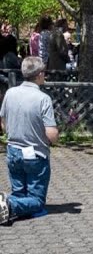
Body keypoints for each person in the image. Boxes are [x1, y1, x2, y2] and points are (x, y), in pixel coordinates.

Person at [0, 56, 58, 224]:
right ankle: (9, 204)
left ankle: (11, 205)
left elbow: (2, 121)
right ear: (40, 74)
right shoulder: (42, 98)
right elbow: (51, 133)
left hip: (13, 149)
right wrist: (56, 139)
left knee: (20, 192)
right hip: (34, 153)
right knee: (37, 200)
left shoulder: (10, 93)